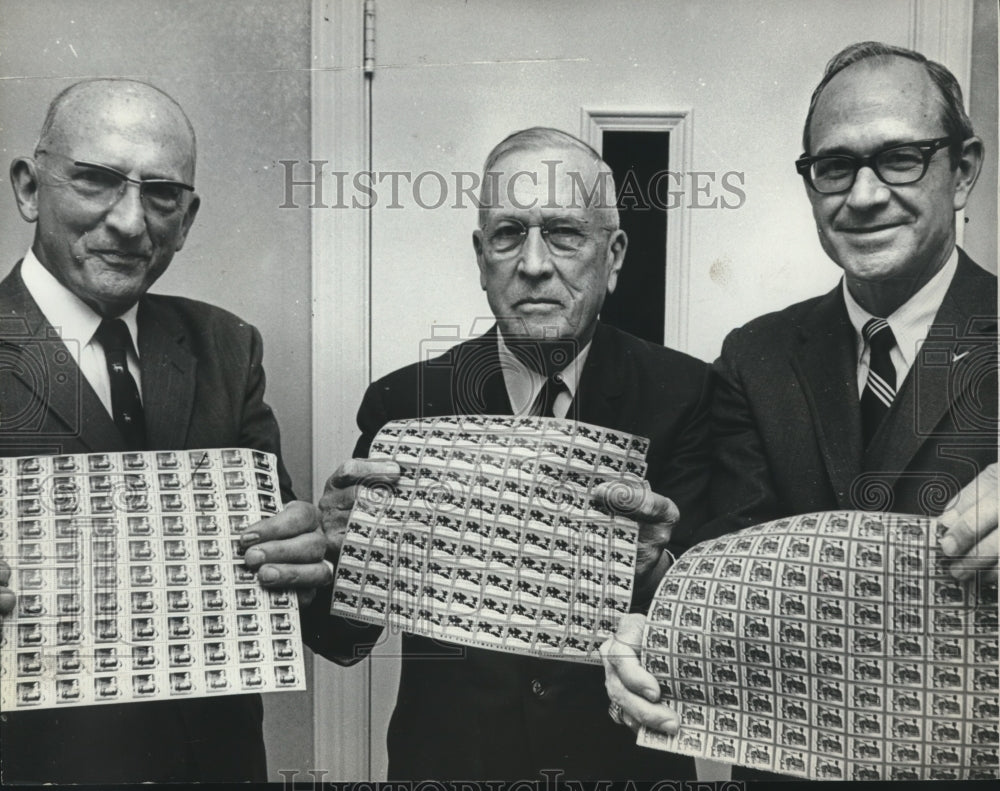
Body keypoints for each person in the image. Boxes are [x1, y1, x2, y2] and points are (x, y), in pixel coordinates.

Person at [602, 40, 997, 777]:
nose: (867, 194)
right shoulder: (757, 356)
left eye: (902, 157)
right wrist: (655, 622)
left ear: (963, 169)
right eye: (836, 166)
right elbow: (735, 561)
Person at [305, 127, 712, 780]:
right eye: (508, 234)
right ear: (480, 256)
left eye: (563, 233)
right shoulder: (404, 402)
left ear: (613, 255)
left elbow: (709, 639)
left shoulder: (689, 396)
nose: (532, 263)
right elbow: (346, 638)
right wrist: (332, 560)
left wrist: (657, 567)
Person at [0, 78, 332, 784]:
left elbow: (283, 577)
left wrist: (312, 557)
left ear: (187, 217)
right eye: (96, 181)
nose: (130, 222)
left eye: (161, 195)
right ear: (29, 188)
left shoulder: (224, 344)